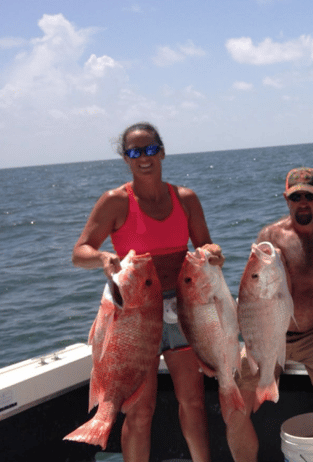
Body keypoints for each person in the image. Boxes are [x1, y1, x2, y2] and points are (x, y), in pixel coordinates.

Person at [72, 122, 223, 462]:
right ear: (125, 158)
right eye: (135, 152)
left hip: (182, 308)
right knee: (140, 410)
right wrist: (102, 257)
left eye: (151, 149)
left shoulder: (185, 198)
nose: (144, 157)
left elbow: (204, 244)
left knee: (194, 401)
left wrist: (212, 252)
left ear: (163, 152)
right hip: (135, 314)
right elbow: (79, 251)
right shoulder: (115, 201)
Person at [226, 167, 313, 462]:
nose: (302, 203)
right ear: (286, 200)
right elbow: (253, 294)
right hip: (270, 333)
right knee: (234, 407)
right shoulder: (270, 237)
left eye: (309, 197)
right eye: (295, 197)